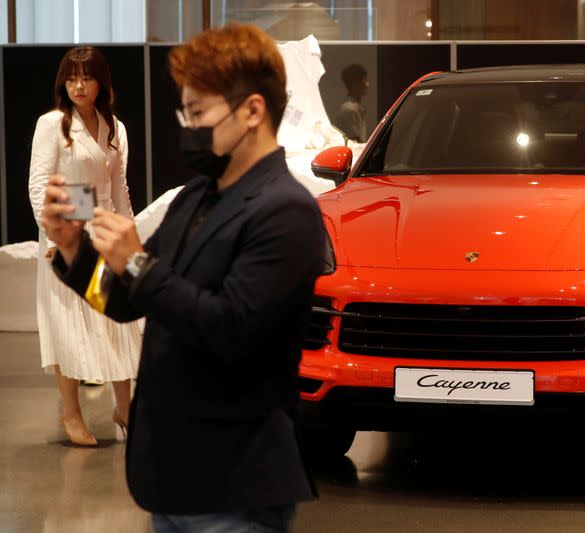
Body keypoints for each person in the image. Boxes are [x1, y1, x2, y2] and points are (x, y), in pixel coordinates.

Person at [40, 23, 323, 533]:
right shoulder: (196, 196)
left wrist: (140, 263)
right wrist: (74, 251)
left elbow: (232, 327)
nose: (187, 126)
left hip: (235, 482)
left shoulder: (288, 212)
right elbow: (129, 301)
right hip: (171, 478)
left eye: (198, 113)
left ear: (253, 111)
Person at [28, 46, 140, 447]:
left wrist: (131, 240)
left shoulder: (116, 128)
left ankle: (125, 408)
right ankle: (71, 411)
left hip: (106, 232)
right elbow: (39, 186)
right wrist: (56, 234)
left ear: (101, 83)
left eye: (87, 77)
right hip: (68, 236)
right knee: (70, 326)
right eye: (71, 77)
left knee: (118, 320)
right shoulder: (52, 124)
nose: (78, 85)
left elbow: (120, 189)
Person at [332, 63, 368, 143]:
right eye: (364, 80)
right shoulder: (348, 110)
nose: (367, 84)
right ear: (355, 83)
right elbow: (357, 143)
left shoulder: (352, 108)